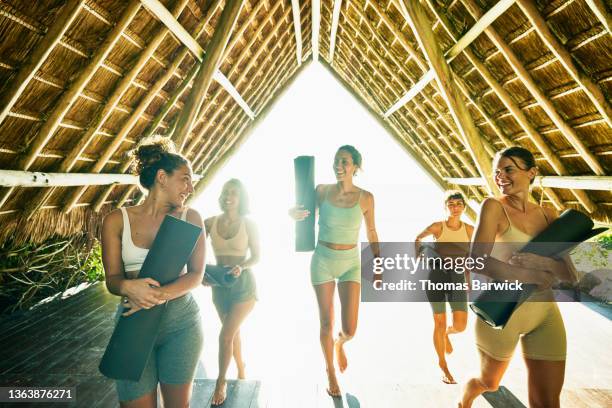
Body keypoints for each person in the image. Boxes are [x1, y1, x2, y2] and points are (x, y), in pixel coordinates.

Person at [459, 147, 577, 408]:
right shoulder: (492, 207)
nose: (500, 176)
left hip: (545, 314)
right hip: (502, 313)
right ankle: (465, 398)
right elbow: (476, 260)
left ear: (532, 172)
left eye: (509, 169)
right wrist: (530, 274)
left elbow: (569, 274)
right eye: (497, 172)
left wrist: (545, 263)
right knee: (489, 383)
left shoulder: (549, 216)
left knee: (548, 401)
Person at [101, 136, 205, 408]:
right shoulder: (116, 220)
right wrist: (127, 287)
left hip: (181, 326)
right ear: (162, 177)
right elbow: (112, 279)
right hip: (133, 325)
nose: (190, 187)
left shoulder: (190, 219)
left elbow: (196, 274)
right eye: (185, 178)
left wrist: (155, 294)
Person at [290, 145, 380, 398]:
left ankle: (340, 344)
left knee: (349, 329)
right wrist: (292, 213)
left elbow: (372, 232)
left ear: (355, 166)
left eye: (344, 162)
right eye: (336, 161)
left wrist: (379, 263)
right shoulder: (321, 191)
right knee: (326, 322)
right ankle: (330, 372)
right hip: (323, 261)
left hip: (351, 262)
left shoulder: (366, 198)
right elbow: (303, 214)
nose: (338, 166)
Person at [203, 179, 259, 406]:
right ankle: (241, 367)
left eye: (234, 193)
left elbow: (257, 256)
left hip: (243, 284)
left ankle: (221, 381)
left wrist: (242, 266)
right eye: (226, 192)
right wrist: (201, 275)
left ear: (241, 198)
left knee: (225, 335)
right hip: (219, 286)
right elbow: (192, 250)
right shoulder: (209, 222)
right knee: (232, 333)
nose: (229, 196)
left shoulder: (249, 224)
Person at [415, 191, 474, 384]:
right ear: (445, 206)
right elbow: (418, 239)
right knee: (438, 323)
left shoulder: (470, 230)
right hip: (436, 277)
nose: (455, 207)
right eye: (451, 204)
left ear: (464, 207)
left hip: (457, 278)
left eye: (459, 204)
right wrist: (420, 256)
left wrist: (468, 279)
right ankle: (443, 366)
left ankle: (448, 333)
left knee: (460, 326)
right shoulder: (437, 227)